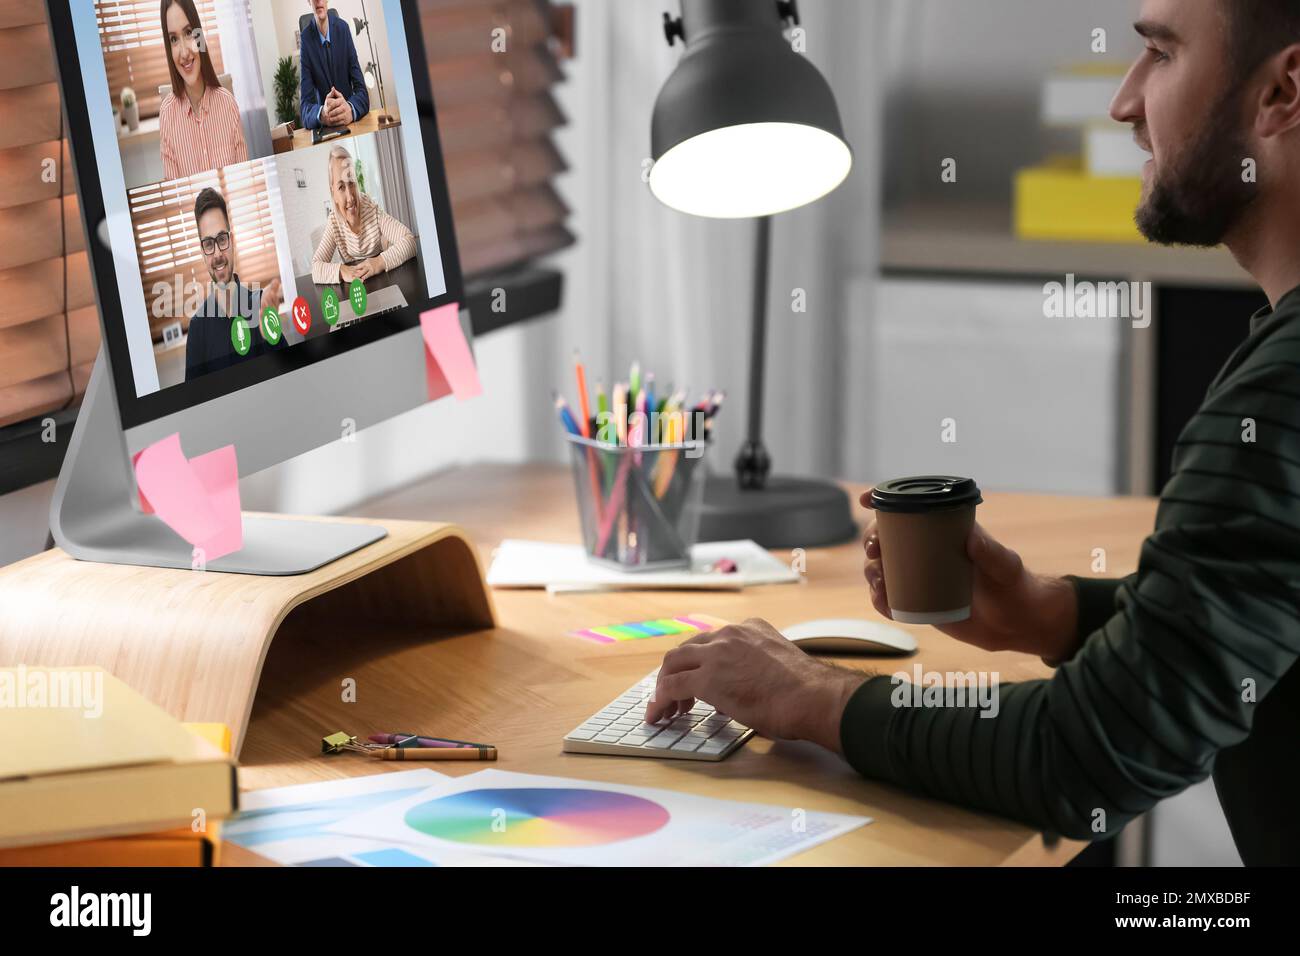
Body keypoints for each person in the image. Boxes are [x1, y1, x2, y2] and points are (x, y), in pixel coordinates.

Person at [645, 0, 1300, 866]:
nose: (1126, 101)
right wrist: (1056, 613)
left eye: (1162, 54)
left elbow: (1086, 755)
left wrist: (815, 697)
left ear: (1282, 92)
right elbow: (1257, 625)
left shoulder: (1277, 402)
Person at [184, 188, 286, 380]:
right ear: (202, 251)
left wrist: (271, 337)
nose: (217, 254)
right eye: (208, 244)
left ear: (232, 241)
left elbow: (291, 376)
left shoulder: (261, 306)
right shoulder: (198, 328)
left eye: (221, 239)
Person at [158, 0, 248, 180]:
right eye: (174, 39)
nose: (184, 53)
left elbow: (243, 177)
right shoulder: (167, 115)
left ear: (200, 38)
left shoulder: (227, 104)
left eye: (189, 33)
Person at [311, 145, 417, 286]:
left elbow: (409, 241)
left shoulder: (371, 210)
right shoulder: (334, 222)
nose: (350, 197)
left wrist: (378, 262)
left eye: (352, 183)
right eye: (341, 187)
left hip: (381, 280)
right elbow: (316, 268)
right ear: (333, 193)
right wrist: (341, 271)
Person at [299, 0, 369, 131]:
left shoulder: (344, 29)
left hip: (351, 125)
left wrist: (350, 109)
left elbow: (362, 92)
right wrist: (322, 114)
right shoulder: (305, 39)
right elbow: (304, 110)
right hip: (326, 128)